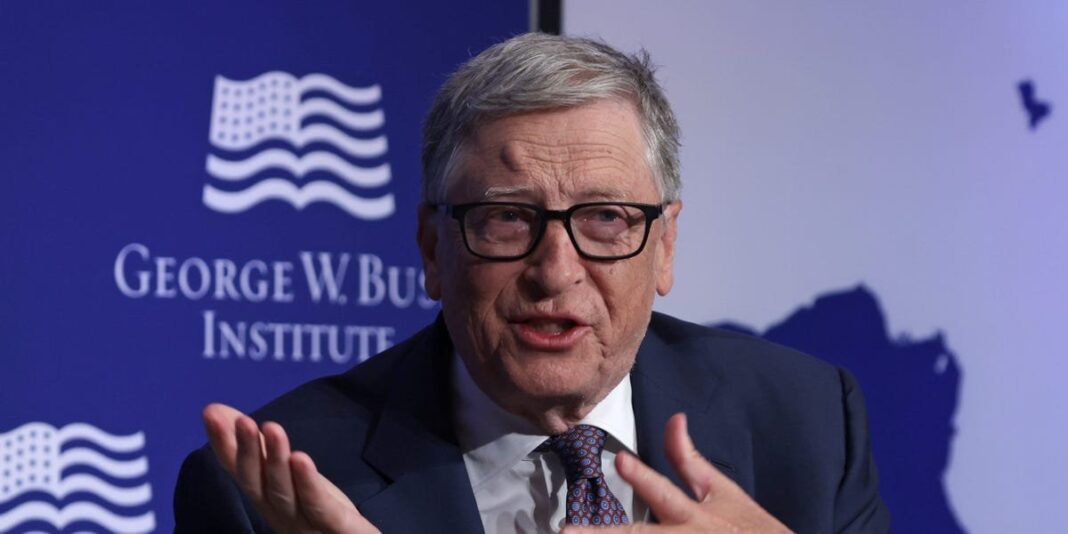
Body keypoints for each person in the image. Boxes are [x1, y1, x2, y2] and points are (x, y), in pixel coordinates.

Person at [174, 33, 890, 533]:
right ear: (432, 248)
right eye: (507, 218)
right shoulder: (271, 492)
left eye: (605, 218)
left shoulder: (809, 426)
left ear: (665, 246)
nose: (555, 271)